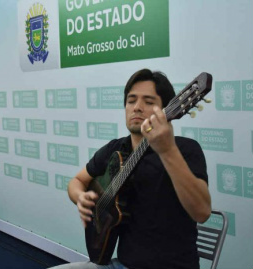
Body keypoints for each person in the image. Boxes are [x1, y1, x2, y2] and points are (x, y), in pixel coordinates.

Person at [49, 69, 211, 269]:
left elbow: (202, 212)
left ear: (166, 110)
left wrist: (168, 150)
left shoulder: (185, 149)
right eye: (131, 100)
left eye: (149, 102)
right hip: (120, 264)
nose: (137, 107)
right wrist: (81, 198)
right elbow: (77, 181)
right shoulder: (115, 149)